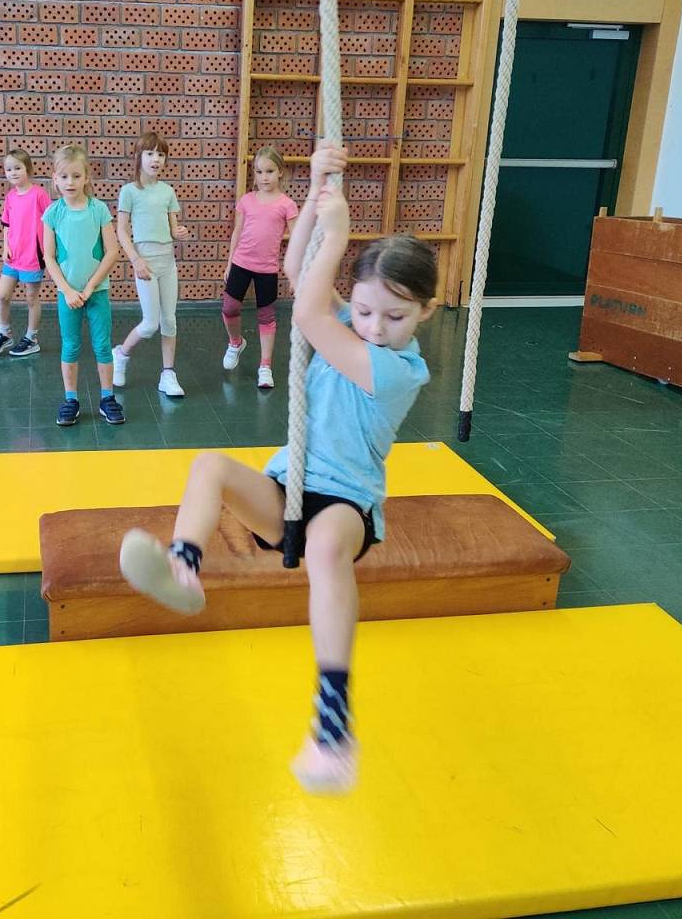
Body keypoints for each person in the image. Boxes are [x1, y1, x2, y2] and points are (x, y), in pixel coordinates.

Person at [119, 142, 438, 794]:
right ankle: (184, 570)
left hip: (345, 504)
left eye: (396, 316)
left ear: (427, 312)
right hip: (287, 488)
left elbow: (313, 310)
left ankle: (333, 726)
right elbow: (297, 270)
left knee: (325, 548)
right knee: (210, 465)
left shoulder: (398, 371)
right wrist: (318, 190)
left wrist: (337, 232)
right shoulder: (351, 324)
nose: (375, 327)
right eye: (366, 311)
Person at [41, 145, 126, 427]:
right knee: (70, 346)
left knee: (102, 345)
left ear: (87, 177)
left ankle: (107, 398)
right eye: (64, 177)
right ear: (55, 179)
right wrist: (67, 290)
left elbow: (112, 252)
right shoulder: (53, 214)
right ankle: (71, 399)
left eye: (76, 176)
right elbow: (49, 257)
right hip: (68, 296)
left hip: (96, 293)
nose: (70, 182)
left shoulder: (98, 209)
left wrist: (90, 287)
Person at [111, 132, 191, 397]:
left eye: (161, 154)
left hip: (167, 262)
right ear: (138, 156)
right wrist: (136, 260)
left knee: (170, 320)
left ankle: (168, 374)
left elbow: (172, 229)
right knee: (150, 324)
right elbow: (122, 231)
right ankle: (121, 354)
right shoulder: (129, 191)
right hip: (145, 262)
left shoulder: (168, 191)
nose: (156, 159)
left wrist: (179, 232)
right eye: (150, 153)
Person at [221, 147, 299, 388]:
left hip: (267, 269)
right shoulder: (246, 200)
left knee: (266, 316)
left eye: (269, 171)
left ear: (280, 172)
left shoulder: (287, 205)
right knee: (229, 308)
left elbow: (296, 241)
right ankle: (235, 342)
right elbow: (237, 231)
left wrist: (295, 274)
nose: (264, 177)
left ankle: (265, 366)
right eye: (259, 172)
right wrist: (229, 262)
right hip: (241, 263)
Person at [0, 149, 51, 357]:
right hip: (13, 257)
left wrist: (49, 251)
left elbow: (51, 222)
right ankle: (4, 334)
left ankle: (31, 338)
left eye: (17, 168)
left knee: (31, 298)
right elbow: (6, 224)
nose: (13, 172)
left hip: (32, 256)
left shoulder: (39, 194)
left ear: (28, 169)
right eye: (8, 169)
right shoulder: (10, 197)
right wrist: (6, 247)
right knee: (2, 296)